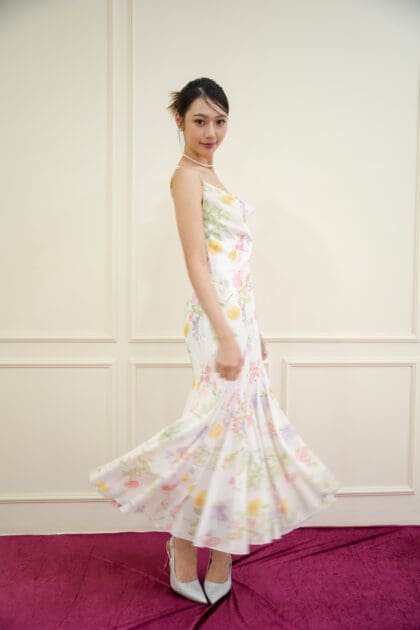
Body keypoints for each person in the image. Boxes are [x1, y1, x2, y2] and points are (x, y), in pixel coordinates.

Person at [89, 77, 341, 606]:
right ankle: (183, 545)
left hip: (239, 319)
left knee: (240, 437)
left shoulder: (212, 174)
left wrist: (252, 327)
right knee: (212, 432)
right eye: (200, 120)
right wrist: (225, 333)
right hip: (214, 323)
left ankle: (223, 551)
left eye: (220, 121)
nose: (211, 132)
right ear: (179, 120)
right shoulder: (185, 177)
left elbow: (236, 265)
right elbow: (197, 262)